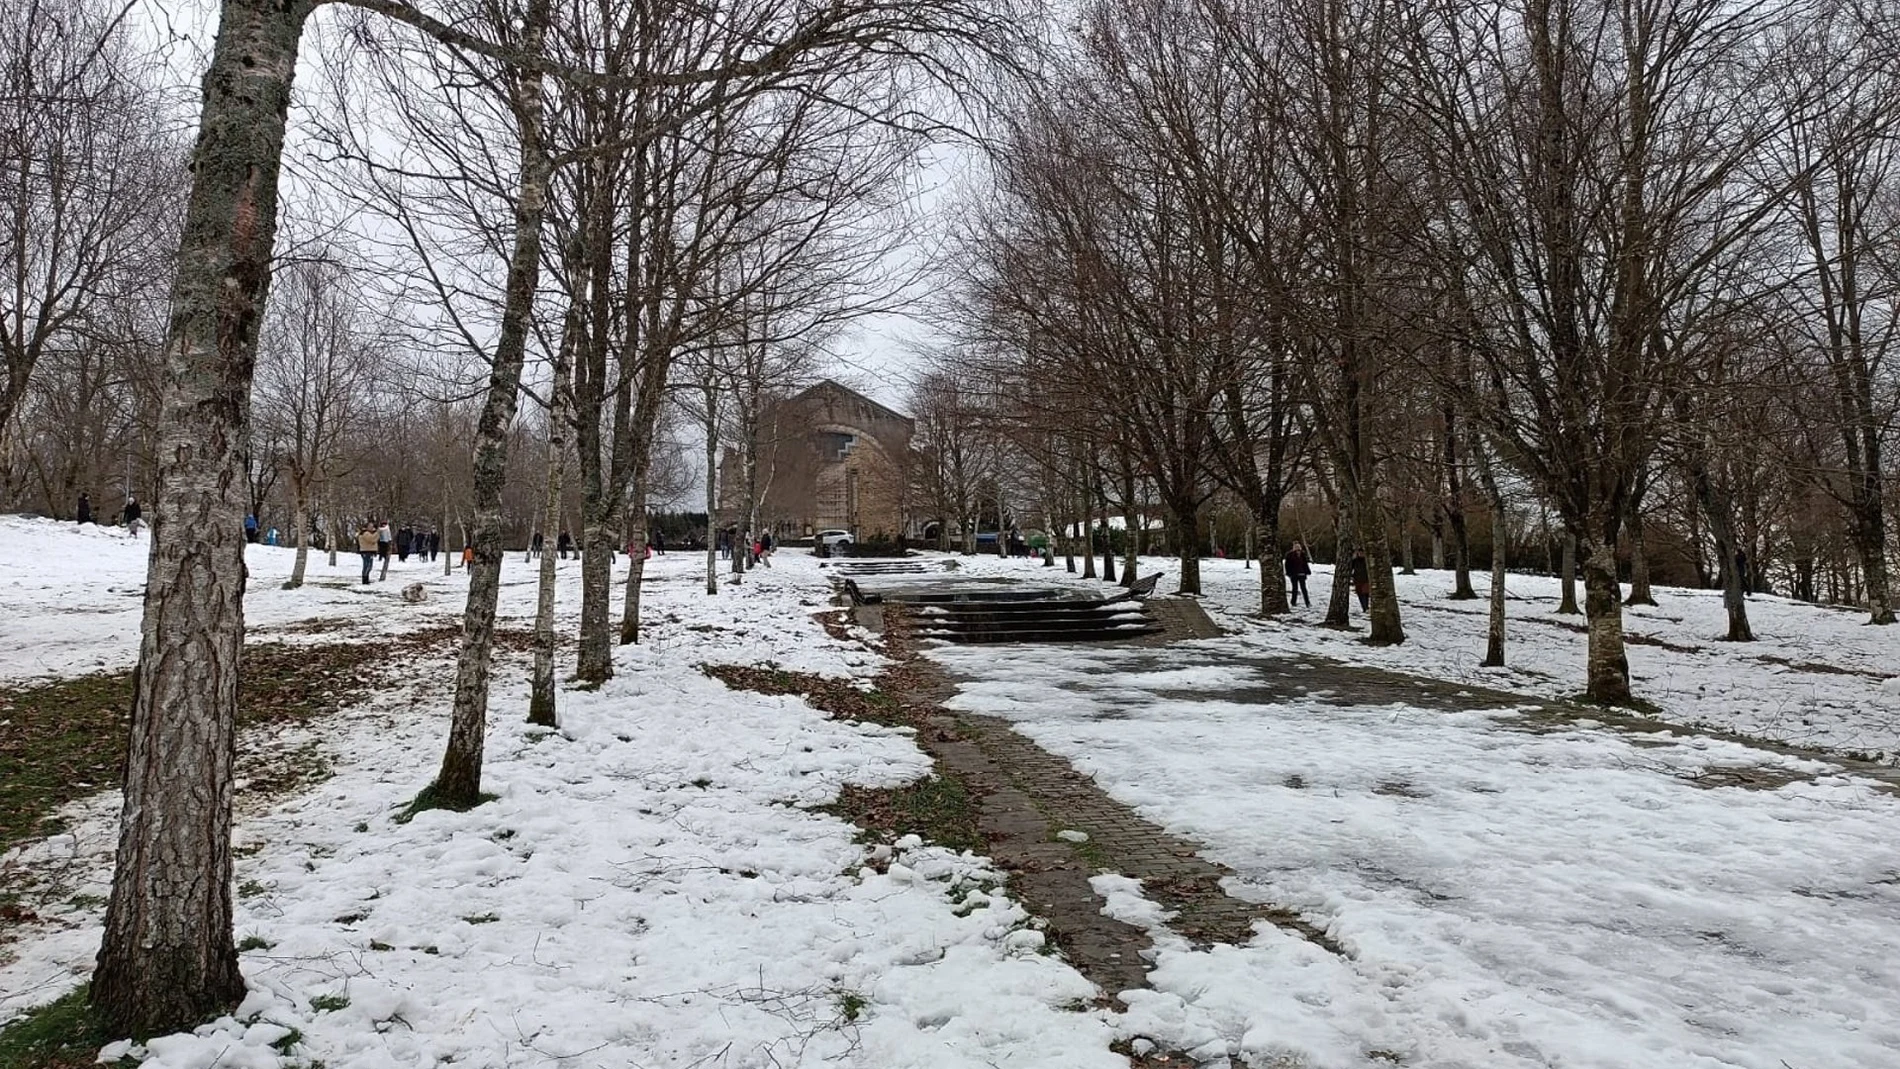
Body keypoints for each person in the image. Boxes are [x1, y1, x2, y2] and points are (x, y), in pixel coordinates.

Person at [1284, 541, 1312, 607]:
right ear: (1293, 548)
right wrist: (1289, 573)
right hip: (1294, 574)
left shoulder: (1303, 554)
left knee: (1304, 589)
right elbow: (1287, 565)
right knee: (1295, 588)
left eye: (1298, 547)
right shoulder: (1289, 555)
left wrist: (1307, 571)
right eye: (1296, 547)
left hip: (1302, 574)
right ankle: (1293, 602)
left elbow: (1305, 564)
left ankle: (1307, 602)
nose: (1298, 549)